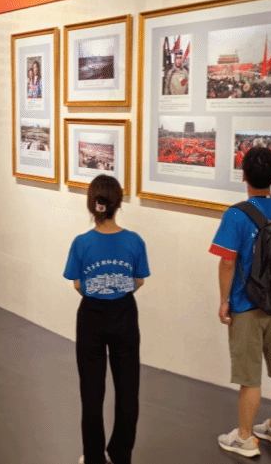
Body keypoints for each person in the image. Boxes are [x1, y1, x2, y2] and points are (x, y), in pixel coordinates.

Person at [209, 147, 271, 458]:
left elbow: (227, 262)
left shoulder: (236, 214)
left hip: (246, 305)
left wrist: (224, 300)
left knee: (249, 378)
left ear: (243, 175)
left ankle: (245, 437)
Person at [63, 175, 151, 464]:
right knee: (128, 389)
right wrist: (119, 290)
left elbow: (77, 284)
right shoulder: (134, 240)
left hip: (91, 316)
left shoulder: (81, 243)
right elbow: (139, 279)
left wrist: (99, 291)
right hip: (125, 314)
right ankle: (121, 453)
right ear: (119, 203)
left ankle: (93, 456)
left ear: (92, 205)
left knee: (91, 391)